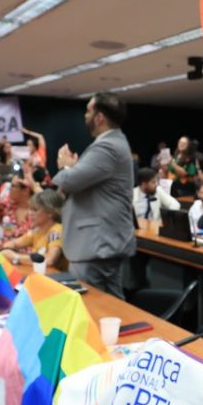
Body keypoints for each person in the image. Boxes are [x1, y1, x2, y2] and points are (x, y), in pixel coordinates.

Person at [53, 92, 135, 297]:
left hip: (97, 244)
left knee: (94, 308)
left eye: (88, 111)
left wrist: (65, 167)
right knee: (111, 306)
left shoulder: (107, 146)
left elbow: (69, 181)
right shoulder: (110, 143)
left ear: (100, 118)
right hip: (101, 243)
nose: (85, 116)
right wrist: (72, 170)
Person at [0, 189, 67, 270]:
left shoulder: (56, 231)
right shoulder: (36, 231)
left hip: (55, 279)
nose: (30, 213)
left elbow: (50, 260)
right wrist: (7, 249)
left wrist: (16, 257)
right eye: (30, 209)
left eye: (35, 210)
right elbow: (14, 243)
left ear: (50, 213)